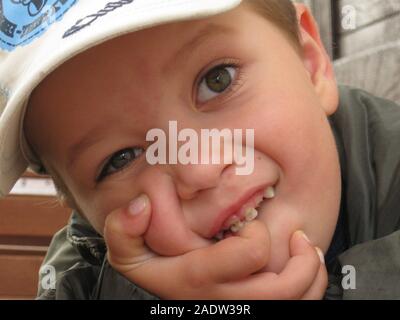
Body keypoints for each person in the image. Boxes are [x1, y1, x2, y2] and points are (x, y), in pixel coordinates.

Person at [1, 0, 399, 300]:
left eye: (217, 80)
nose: (200, 169)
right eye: (120, 159)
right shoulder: (80, 281)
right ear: (82, 209)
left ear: (310, 63)